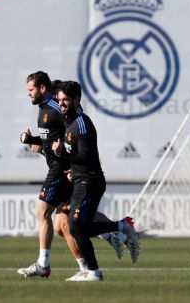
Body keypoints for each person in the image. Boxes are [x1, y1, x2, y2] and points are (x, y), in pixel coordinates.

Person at [52, 80, 140, 282]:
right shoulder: (69, 122)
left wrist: (62, 153)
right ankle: (121, 227)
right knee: (78, 227)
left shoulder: (82, 123)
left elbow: (85, 155)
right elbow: (77, 156)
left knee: (75, 227)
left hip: (89, 182)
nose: (62, 103)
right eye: (59, 100)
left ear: (76, 99)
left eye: (66, 100)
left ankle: (93, 272)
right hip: (81, 180)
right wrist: (72, 169)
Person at [16, 72, 73, 278]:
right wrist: (31, 140)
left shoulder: (56, 108)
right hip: (60, 168)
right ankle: (117, 230)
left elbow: (75, 131)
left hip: (61, 169)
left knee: (42, 213)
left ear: (42, 88)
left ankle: (43, 264)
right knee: (65, 224)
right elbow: (50, 140)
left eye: (31, 89)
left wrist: (68, 152)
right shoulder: (43, 109)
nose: (28, 94)